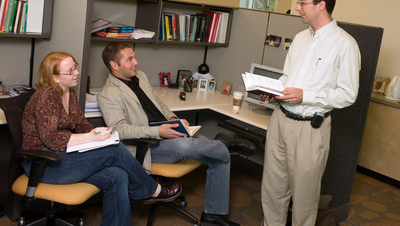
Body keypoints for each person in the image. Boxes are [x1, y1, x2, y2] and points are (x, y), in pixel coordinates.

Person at [97, 42, 255, 226]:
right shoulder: (108, 94)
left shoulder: (140, 76)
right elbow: (119, 129)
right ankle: (224, 144)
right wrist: (158, 131)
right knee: (188, 145)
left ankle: (213, 215)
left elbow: (158, 103)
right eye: (130, 59)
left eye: (135, 57)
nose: (136, 62)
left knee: (218, 155)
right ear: (114, 65)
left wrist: (173, 118)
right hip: (147, 144)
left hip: (167, 129)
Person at [21, 52, 182, 226]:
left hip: (64, 157)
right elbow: (50, 139)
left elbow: (81, 123)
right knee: (113, 150)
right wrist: (88, 138)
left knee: (118, 175)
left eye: (75, 67)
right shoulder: (46, 95)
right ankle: (151, 189)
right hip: (43, 164)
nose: (76, 73)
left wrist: (98, 135)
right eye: (70, 71)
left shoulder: (70, 92)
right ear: (55, 78)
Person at [260, 0, 361, 226]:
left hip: (309, 129)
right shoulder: (300, 38)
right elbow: (288, 76)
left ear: (321, 5)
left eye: (302, 2)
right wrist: (274, 91)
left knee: (304, 200)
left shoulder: (345, 44)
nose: (297, 7)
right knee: (272, 191)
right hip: (280, 120)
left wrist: (306, 95)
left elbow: (348, 94)